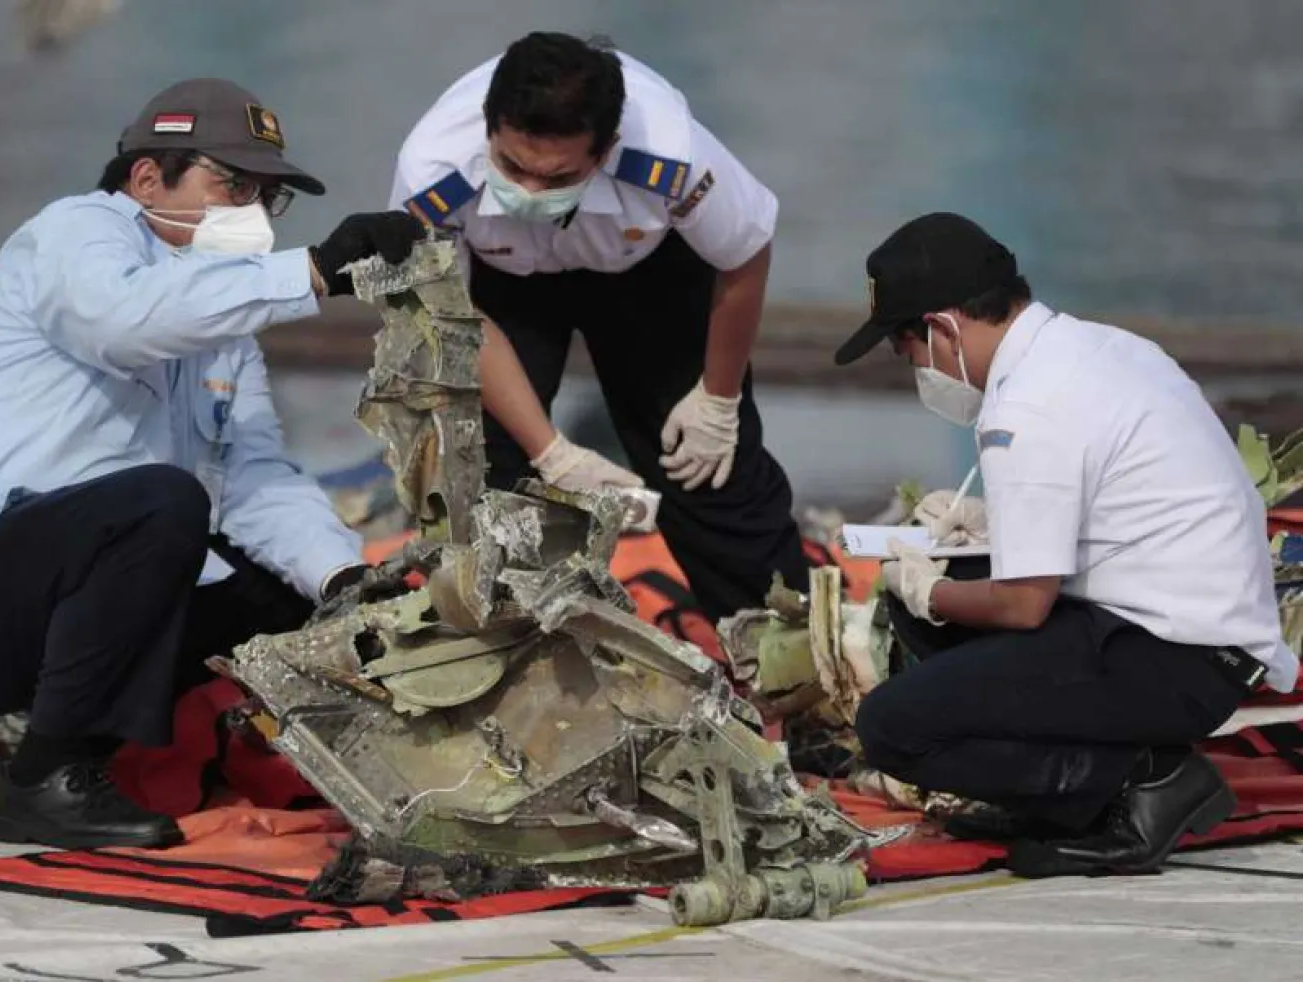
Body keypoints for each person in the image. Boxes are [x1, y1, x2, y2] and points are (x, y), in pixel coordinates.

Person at [0, 78, 427, 850]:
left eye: (267, 195)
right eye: (232, 183)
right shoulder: (73, 236)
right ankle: (46, 780)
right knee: (162, 505)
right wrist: (317, 271)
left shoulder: (224, 323)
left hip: (62, 590)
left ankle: (256, 760)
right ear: (147, 179)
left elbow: (256, 477)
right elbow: (124, 324)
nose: (252, 212)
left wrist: (345, 581)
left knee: (287, 601)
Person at [833, 212, 1298, 877]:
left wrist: (929, 588)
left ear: (939, 327)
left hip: (1177, 657)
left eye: (904, 348)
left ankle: (1141, 782)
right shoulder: (1098, 347)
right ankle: (1057, 794)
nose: (912, 366)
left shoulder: (1025, 408)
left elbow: (1024, 606)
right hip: (1202, 635)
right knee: (928, 617)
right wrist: (979, 539)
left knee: (892, 727)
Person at [387, 31, 812, 623]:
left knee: (706, 464)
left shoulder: (672, 156)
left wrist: (718, 399)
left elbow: (744, 256)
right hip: (499, 279)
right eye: (513, 166)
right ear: (489, 125)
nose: (530, 188)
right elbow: (453, 316)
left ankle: (780, 657)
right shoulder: (432, 170)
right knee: (483, 458)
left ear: (607, 149)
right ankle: (502, 647)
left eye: (557, 176)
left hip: (645, 267)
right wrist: (553, 451)